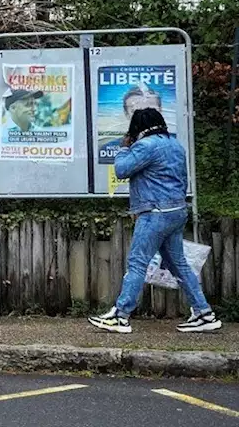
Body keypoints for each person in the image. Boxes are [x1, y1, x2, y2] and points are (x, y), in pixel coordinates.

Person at [89, 108, 222, 334]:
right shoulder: (175, 145)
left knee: (137, 263)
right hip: (177, 211)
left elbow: (121, 170)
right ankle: (204, 313)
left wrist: (123, 147)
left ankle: (120, 316)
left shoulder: (146, 146)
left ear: (138, 127)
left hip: (155, 213)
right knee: (178, 265)